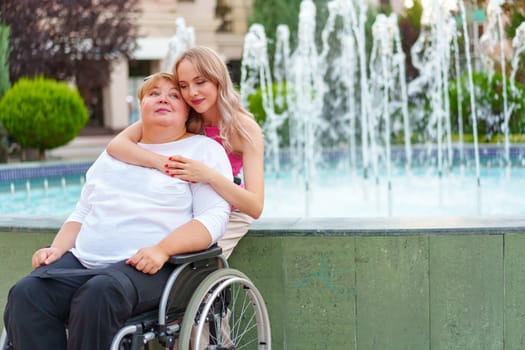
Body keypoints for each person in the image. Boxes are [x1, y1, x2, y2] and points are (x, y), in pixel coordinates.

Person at [3, 72, 232, 349]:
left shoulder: (203, 151)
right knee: (27, 294)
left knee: (97, 295)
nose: (163, 99)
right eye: (153, 93)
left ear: (187, 110)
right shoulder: (113, 155)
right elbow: (83, 212)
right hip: (84, 262)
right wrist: (57, 249)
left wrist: (162, 249)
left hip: (155, 267)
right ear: (140, 105)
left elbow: (213, 218)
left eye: (174, 95)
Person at [107, 45, 265, 259]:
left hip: (230, 212)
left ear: (218, 79)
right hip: (186, 205)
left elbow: (254, 206)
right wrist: (160, 162)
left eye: (200, 82)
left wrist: (208, 175)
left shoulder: (243, 128)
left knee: (192, 265)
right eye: (183, 85)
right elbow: (117, 145)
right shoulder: (184, 113)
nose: (192, 93)